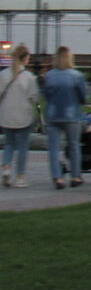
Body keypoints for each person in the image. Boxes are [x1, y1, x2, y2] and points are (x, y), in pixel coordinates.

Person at [41, 46, 89, 189]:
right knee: (74, 145)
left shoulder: (49, 76)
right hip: (71, 114)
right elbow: (83, 97)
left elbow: (45, 94)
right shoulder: (76, 75)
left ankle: (57, 178)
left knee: (54, 148)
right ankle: (75, 176)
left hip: (53, 114)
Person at [0, 45, 40, 188]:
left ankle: (6, 169)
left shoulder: (4, 74)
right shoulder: (29, 77)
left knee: (9, 144)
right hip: (23, 115)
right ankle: (20, 177)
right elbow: (34, 98)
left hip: (6, 115)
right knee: (22, 146)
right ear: (24, 58)